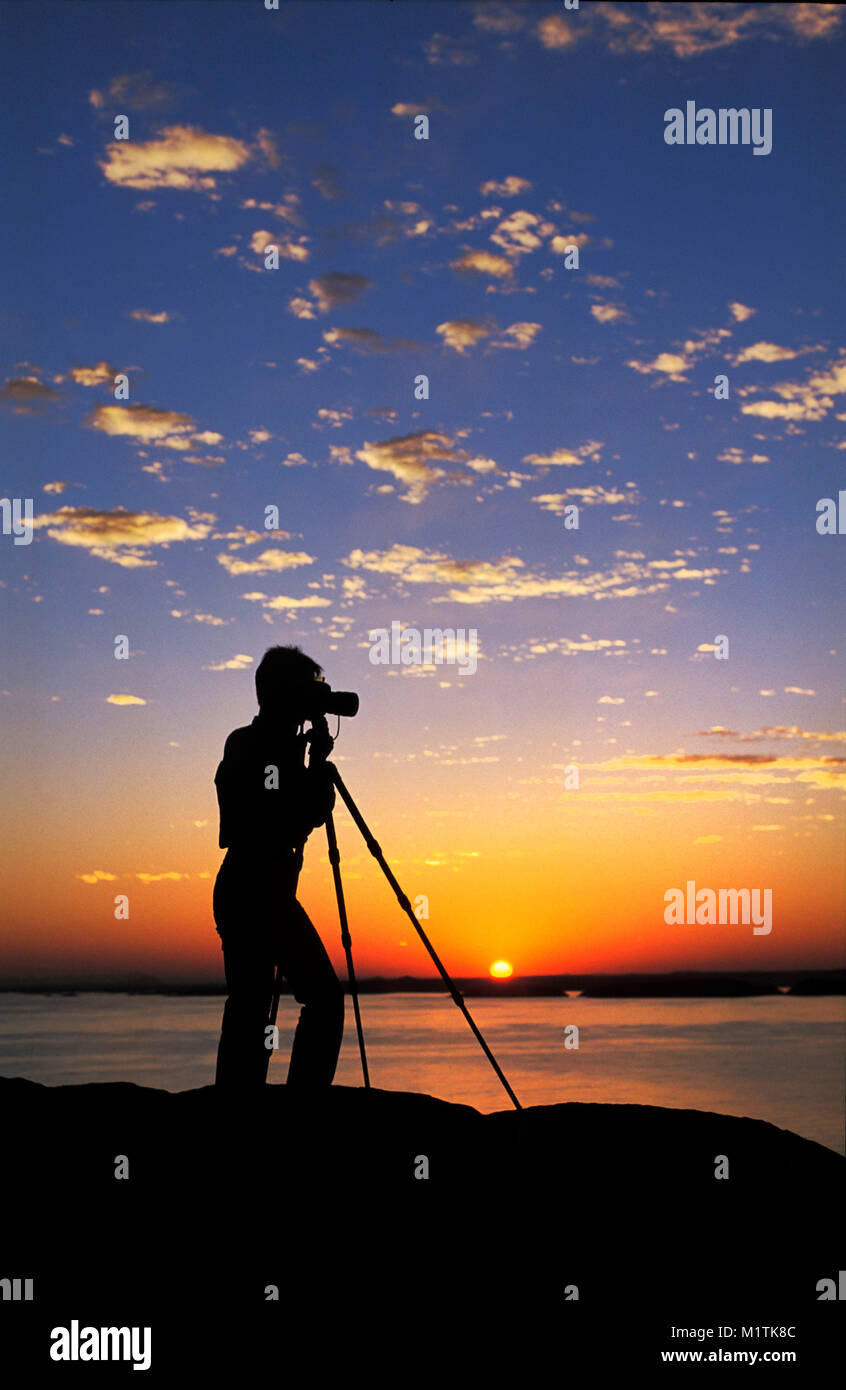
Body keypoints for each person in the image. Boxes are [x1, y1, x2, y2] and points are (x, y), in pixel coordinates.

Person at [213, 644, 344, 1089]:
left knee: (250, 1004)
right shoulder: (255, 746)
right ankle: (297, 1106)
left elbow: (296, 817)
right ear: (283, 693)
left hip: (253, 886)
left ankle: (242, 1101)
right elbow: (293, 817)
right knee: (318, 999)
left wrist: (310, 761)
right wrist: (314, 764)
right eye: (308, 689)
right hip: (257, 888)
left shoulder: (257, 744)